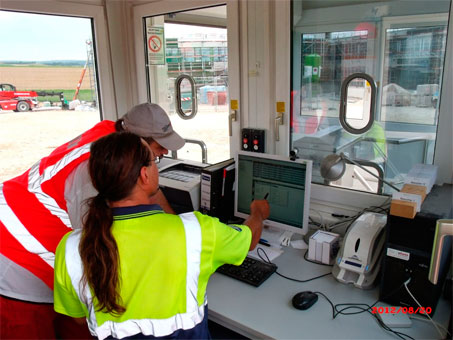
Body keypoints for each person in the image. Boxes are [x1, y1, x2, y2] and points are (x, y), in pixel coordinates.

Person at [53, 132, 269, 339]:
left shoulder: (71, 247)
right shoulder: (197, 232)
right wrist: (257, 212)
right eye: (154, 161)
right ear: (144, 175)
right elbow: (250, 239)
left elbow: (79, 319)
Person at [0, 103, 184, 339]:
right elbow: (97, 248)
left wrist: (178, 230)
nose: (165, 153)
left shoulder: (110, 136)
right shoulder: (90, 174)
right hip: (17, 255)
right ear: (136, 144)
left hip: (29, 230)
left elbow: (150, 189)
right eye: (160, 147)